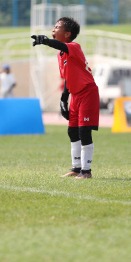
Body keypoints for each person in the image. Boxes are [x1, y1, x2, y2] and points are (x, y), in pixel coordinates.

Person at [31, 17, 99, 179]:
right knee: (72, 131)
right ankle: (76, 168)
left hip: (87, 92)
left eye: (57, 27)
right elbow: (68, 77)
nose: (53, 29)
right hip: (75, 95)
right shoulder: (61, 55)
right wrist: (63, 99)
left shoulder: (74, 47)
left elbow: (60, 45)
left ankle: (86, 171)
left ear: (67, 34)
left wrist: (46, 41)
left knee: (84, 131)